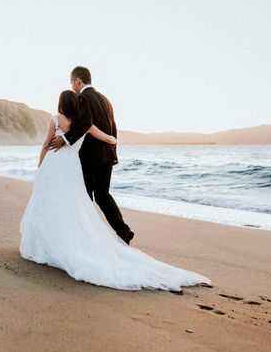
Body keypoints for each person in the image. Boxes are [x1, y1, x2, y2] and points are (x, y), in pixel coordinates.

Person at [19, 89, 211, 291]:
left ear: (60, 103)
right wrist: (113, 140)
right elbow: (105, 136)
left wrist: (40, 165)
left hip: (53, 166)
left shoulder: (55, 120)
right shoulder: (83, 125)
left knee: (49, 203)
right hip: (70, 169)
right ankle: (71, 239)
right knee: (71, 206)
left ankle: (46, 242)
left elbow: (45, 144)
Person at [49, 66, 135, 244]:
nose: (72, 87)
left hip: (90, 156)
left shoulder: (83, 97)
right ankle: (124, 231)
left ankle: (88, 235)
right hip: (107, 155)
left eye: (72, 82)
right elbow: (113, 127)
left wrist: (65, 139)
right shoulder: (106, 100)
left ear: (78, 81)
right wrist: (113, 147)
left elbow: (86, 123)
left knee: (85, 195)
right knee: (103, 195)